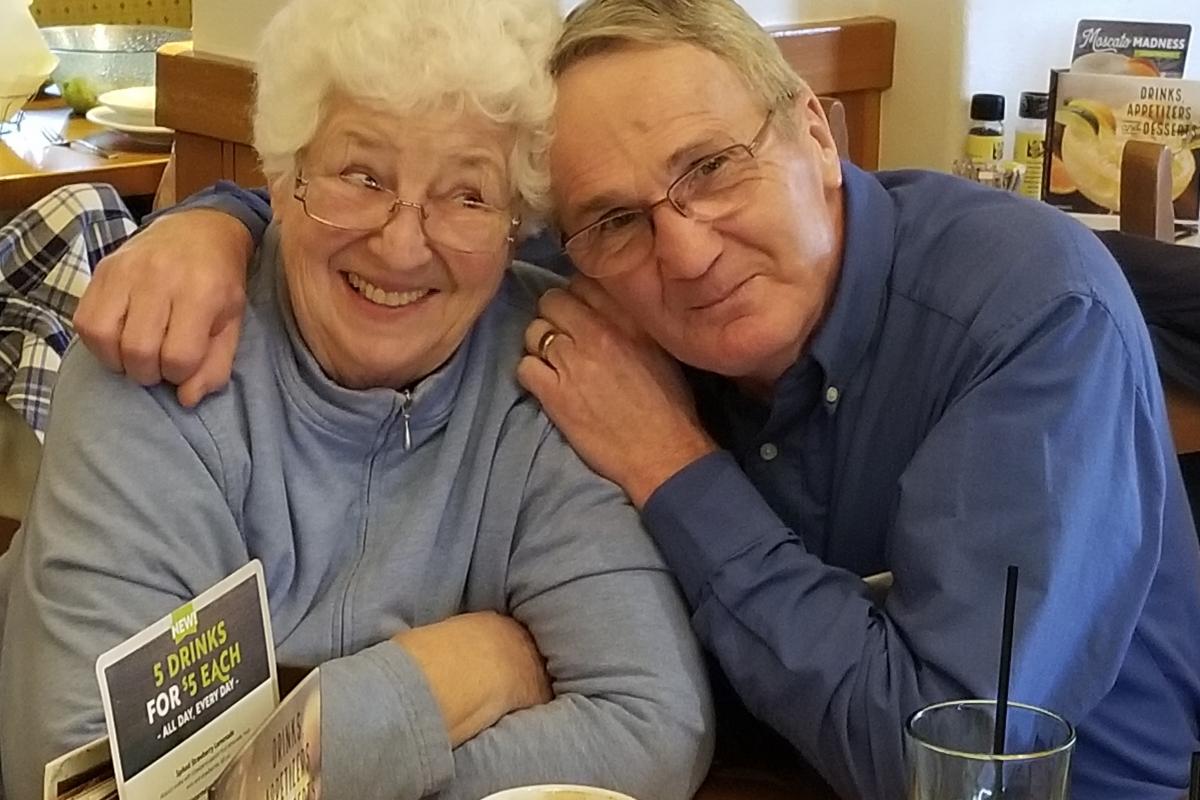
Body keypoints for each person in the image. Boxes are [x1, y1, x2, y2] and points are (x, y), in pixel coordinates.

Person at [70, 1, 1200, 798]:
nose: (687, 248)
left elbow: (933, 761)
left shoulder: (1026, 314)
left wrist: (672, 466)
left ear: (817, 129)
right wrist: (216, 222)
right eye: (613, 217)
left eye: (711, 166)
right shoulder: (599, 279)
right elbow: (419, 228)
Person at [0, 1, 716, 799]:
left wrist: (282, 775)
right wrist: (456, 672)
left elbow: (652, 733)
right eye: (361, 176)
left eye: (469, 195)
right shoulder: (159, 364)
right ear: (280, 175)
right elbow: (89, 784)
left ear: (520, 224)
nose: (403, 244)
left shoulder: (556, 375)